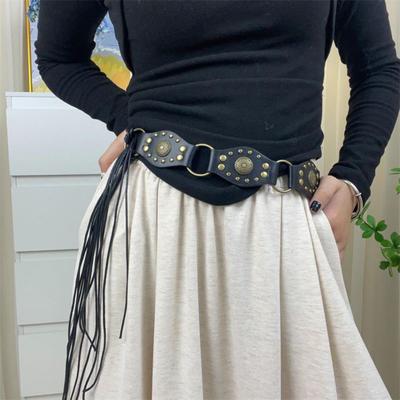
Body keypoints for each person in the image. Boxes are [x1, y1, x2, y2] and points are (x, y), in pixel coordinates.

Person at [35, 0, 400, 398]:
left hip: (282, 222)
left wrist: (353, 178)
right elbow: (59, 56)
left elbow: (378, 68)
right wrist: (132, 118)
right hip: (153, 222)